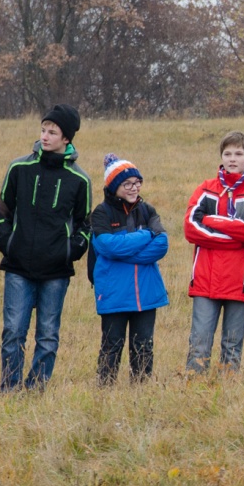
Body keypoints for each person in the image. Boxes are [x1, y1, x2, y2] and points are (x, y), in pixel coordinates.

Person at [0, 104, 92, 391]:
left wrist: (71, 250)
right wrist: (8, 243)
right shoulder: (19, 167)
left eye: (53, 132)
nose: (45, 136)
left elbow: (84, 224)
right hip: (18, 266)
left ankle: (36, 389)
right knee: (13, 332)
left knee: (48, 335)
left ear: (67, 139)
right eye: (43, 129)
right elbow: (3, 211)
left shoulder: (79, 179)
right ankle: (9, 389)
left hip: (56, 270)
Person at [184, 131, 244, 373]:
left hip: (239, 282)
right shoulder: (205, 189)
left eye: (238, 154)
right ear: (221, 157)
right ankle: (192, 396)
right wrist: (236, 236)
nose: (232, 158)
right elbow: (191, 228)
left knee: (232, 348)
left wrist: (212, 221)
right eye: (227, 153)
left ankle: (227, 400)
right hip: (205, 280)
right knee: (199, 345)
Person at [90, 154, 168, 384]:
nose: (134, 188)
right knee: (111, 344)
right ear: (114, 187)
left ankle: (141, 390)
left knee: (144, 345)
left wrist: (126, 251)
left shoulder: (148, 210)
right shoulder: (101, 213)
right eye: (127, 184)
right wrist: (145, 235)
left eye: (137, 183)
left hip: (146, 293)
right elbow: (107, 246)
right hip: (114, 292)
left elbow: (162, 244)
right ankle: (105, 389)